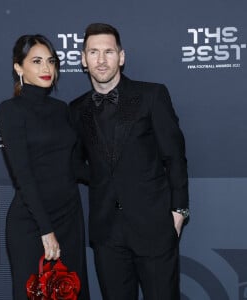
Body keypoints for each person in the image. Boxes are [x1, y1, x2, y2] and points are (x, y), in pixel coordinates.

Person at [69, 23, 189, 300]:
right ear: (83, 60)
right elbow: (75, 164)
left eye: (108, 51)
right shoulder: (76, 109)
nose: (101, 59)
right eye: (93, 52)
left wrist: (178, 212)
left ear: (121, 57)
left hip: (155, 227)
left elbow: (175, 157)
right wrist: (102, 178)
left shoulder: (152, 95)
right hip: (107, 233)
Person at [0, 34, 90, 300]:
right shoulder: (10, 110)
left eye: (50, 61)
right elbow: (23, 175)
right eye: (36, 61)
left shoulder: (62, 110)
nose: (46, 68)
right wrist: (46, 230)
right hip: (33, 223)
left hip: (69, 218)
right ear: (18, 67)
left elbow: (74, 166)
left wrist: (117, 173)